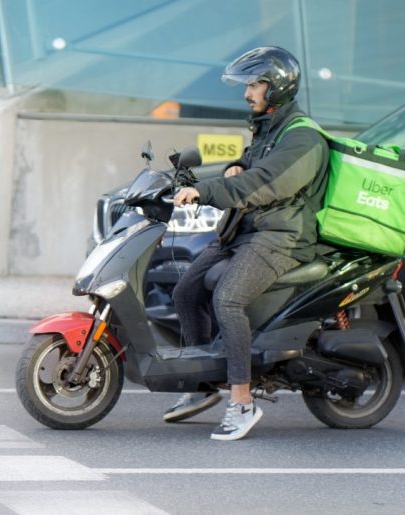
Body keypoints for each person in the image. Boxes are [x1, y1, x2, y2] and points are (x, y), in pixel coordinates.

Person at [166, 46, 329, 441]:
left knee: (228, 298)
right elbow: (247, 168)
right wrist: (231, 167)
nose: (247, 93)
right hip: (246, 230)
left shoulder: (304, 138)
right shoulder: (268, 127)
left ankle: (241, 401)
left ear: (277, 86)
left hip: (282, 238)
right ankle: (203, 384)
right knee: (185, 291)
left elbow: (263, 183)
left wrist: (204, 191)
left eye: (255, 84)